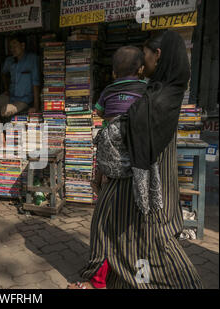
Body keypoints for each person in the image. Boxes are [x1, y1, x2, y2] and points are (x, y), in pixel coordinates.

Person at [69, 30, 203, 289]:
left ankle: (172, 282)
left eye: (148, 55)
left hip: (140, 181)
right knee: (131, 235)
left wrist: (109, 141)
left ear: (159, 55)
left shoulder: (159, 97)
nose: (145, 63)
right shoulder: (160, 91)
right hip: (147, 177)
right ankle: (126, 280)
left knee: (138, 235)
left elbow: (124, 135)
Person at [91, 46, 148, 194]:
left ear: (114, 73)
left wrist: (110, 119)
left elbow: (97, 110)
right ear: (141, 70)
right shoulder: (145, 88)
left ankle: (98, 180)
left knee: (102, 147)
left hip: (110, 139)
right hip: (134, 138)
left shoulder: (108, 90)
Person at [0, 34, 41, 141]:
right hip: (11, 95)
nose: (12, 49)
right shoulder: (9, 61)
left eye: (15, 45)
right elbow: (3, 73)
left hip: (24, 99)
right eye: (10, 47)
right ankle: (0, 138)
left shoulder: (32, 59)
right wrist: (6, 88)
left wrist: (36, 106)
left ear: (23, 45)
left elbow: (36, 83)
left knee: (3, 111)